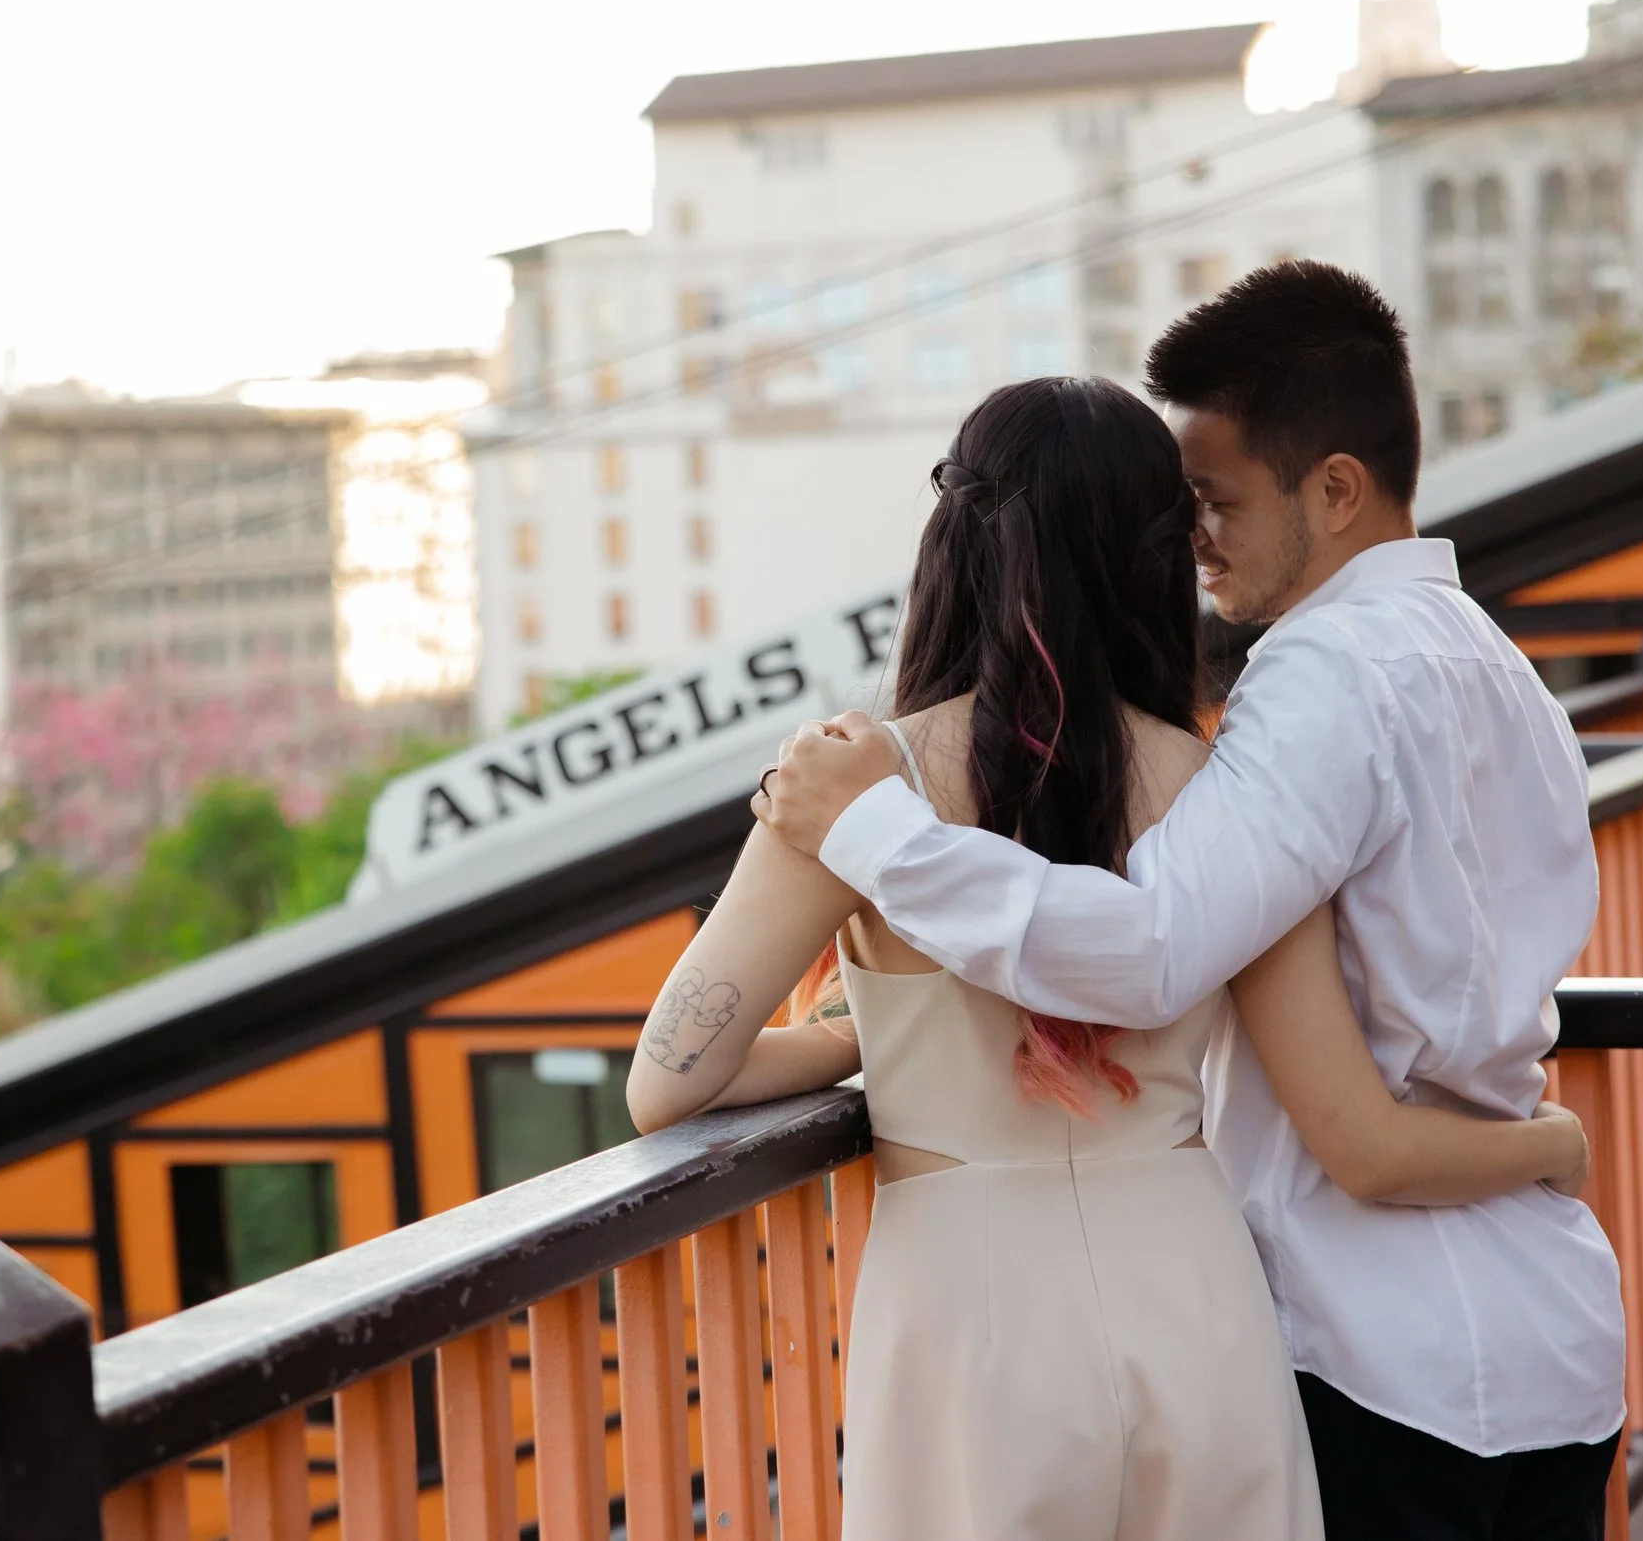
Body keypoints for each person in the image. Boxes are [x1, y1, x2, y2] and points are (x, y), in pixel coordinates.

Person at [630, 370, 1592, 1541]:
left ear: (954, 543)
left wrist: (874, 1027)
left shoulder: (855, 781)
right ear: (1153, 558)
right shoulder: (1220, 786)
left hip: (969, 1300)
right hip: (1196, 1281)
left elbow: (673, 1078)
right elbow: (1339, 1100)